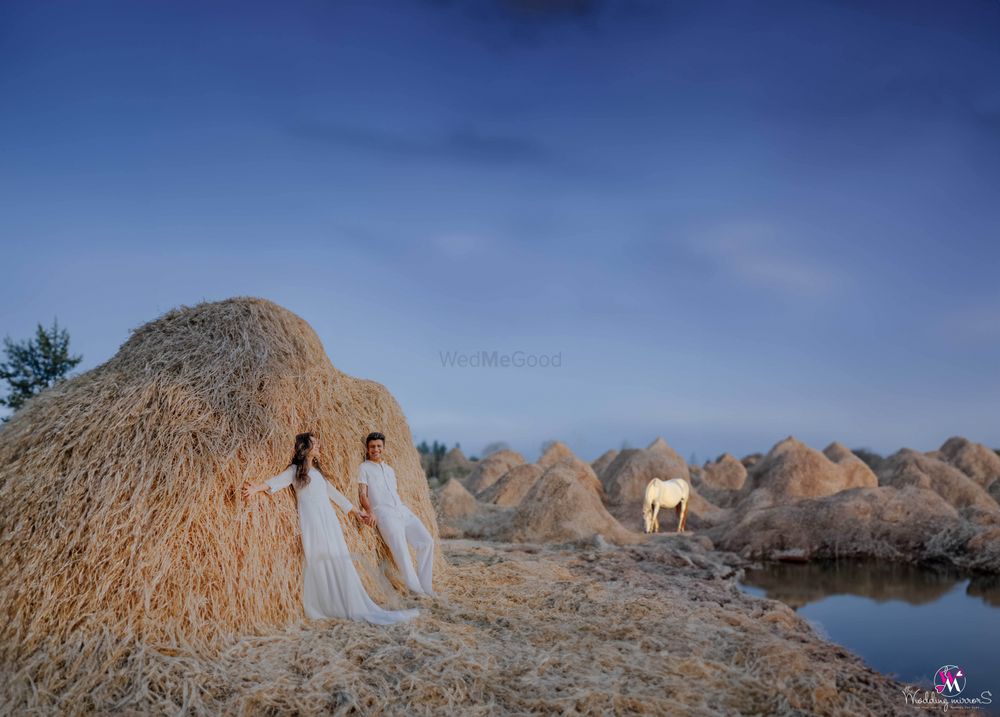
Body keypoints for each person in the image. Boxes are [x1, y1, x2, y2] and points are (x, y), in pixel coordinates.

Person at [242, 432, 418, 625]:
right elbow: (276, 481)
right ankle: (328, 601)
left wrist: (356, 513)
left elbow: (335, 495)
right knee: (318, 557)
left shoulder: (318, 473)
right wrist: (255, 489)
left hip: (328, 519)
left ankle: (345, 601)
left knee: (336, 555)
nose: (318, 447)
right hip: (311, 520)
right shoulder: (295, 471)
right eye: (314, 444)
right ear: (304, 448)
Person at [357, 431, 435, 596]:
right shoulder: (364, 468)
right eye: (372, 446)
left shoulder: (390, 470)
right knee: (400, 549)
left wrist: (402, 509)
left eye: (378, 446)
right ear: (367, 448)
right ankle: (416, 590)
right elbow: (363, 494)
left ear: (383, 448)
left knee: (426, 541)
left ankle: (426, 586)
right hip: (383, 513)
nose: (375, 449)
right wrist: (370, 511)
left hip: (401, 509)